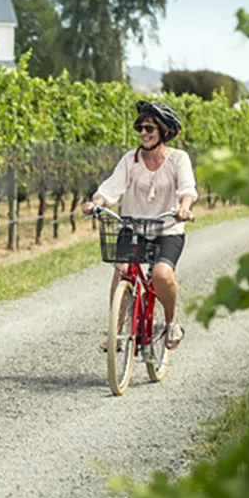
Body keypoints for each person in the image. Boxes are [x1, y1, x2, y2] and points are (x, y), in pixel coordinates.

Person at [81, 100, 196, 350]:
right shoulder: (130, 160)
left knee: (161, 275)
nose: (143, 133)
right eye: (140, 128)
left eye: (149, 128)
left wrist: (184, 207)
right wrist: (96, 202)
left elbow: (187, 189)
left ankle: (171, 322)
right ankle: (115, 332)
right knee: (121, 268)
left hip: (167, 230)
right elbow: (112, 187)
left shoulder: (178, 159)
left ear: (164, 132)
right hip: (134, 227)